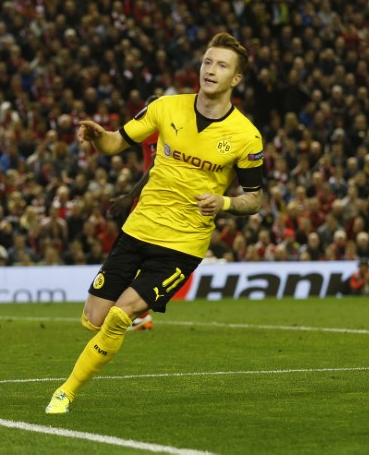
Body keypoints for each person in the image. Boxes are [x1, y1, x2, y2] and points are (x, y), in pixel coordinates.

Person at [46, 32, 265, 414]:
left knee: (118, 316)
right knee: (93, 318)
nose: (210, 70)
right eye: (207, 62)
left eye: (222, 65)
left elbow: (255, 199)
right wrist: (99, 137)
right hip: (139, 228)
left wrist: (225, 201)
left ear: (236, 79)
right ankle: (132, 312)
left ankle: (65, 392)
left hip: (183, 244)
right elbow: (116, 143)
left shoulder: (246, 136)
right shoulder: (165, 108)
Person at [108, 94, 161, 332]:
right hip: (151, 196)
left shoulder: (161, 133)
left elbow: (157, 167)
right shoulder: (149, 131)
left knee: (135, 254)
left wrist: (131, 195)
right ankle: (139, 312)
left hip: (152, 198)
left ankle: (139, 314)